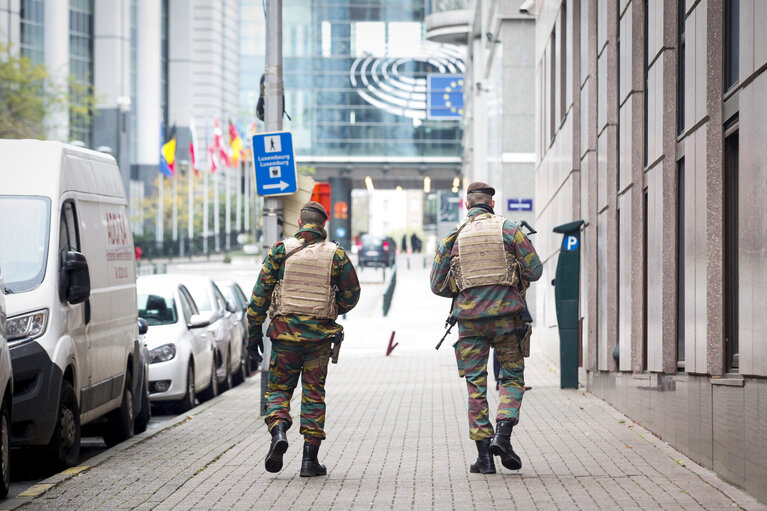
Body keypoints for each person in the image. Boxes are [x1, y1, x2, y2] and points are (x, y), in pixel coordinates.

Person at [430, 182, 542, 474]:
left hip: (469, 325)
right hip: (507, 320)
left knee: (475, 386)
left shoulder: (453, 236)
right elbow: (535, 270)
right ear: (492, 204)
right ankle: (503, 436)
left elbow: (437, 285)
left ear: (467, 205)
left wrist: (465, 291)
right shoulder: (509, 229)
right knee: (512, 378)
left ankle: (484, 459)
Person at [246, 201, 360, 477]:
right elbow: (352, 295)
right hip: (319, 339)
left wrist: (253, 334)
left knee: (278, 391)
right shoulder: (337, 255)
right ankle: (310, 462)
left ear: (299, 222)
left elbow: (259, 296)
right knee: (313, 394)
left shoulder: (280, 251)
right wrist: (331, 308)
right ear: (324, 224)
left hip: (284, 337)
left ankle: (279, 432)